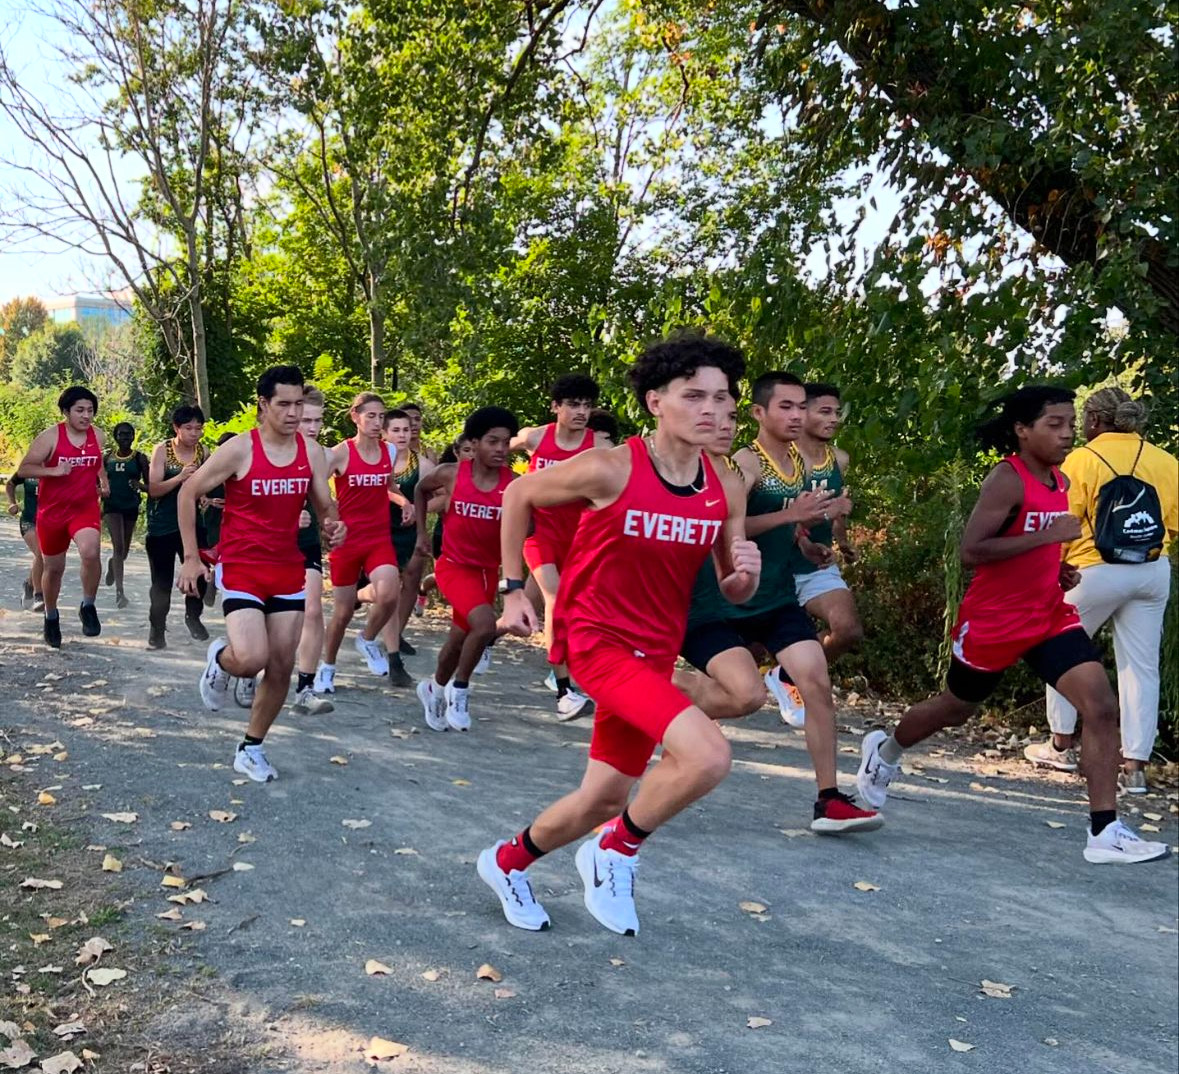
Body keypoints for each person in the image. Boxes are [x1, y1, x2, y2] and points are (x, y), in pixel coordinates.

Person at [477, 333, 760, 936]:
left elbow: (731, 587)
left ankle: (506, 862)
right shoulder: (612, 467)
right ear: (657, 402)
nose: (710, 409)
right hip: (596, 639)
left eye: (721, 397)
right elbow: (520, 493)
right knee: (708, 755)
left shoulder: (724, 487)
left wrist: (743, 578)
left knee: (604, 797)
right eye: (693, 395)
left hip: (656, 646)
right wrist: (513, 588)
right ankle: (616, 853)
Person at [857, 386, 1168, 864]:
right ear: (1023, 431)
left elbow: (1033, 544)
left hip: (1047, 614)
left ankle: (1104, 832)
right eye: (1055, 425)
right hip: (995, 621)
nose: (1067, 434)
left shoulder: (1060, 479)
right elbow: (972, 550)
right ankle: (886, 751)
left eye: (1071, 423)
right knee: (956, 707)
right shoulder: (1008, 478)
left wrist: (1057, 566)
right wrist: (1048, 537)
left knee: (1101, 705)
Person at [678, 372, 879, 833]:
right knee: (744, 696)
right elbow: (732, 529)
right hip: (716, 605)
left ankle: (829, 800)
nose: (797, 415)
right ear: (759, 413)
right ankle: (664, 696)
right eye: (786, 407)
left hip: (774, 596)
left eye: (800, 407)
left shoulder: (805, 462)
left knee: (815, 678)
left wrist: (804, 541)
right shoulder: (744, 465)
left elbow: (789, 524)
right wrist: (793, 515)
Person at [178, 365, 345, 782]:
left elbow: (324, 502)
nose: (293, 413)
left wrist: (333, 522)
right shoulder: (240, 449)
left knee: (282, 665)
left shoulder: (311, 452)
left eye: (299, 404)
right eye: (284, 404)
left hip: (286, 567)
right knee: (252, 658)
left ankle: (251, 747)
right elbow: (188, 490)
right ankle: (220, 659)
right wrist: (191, 558)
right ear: (264, 405)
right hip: (242, 567)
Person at [1024, 387, 1178, 794]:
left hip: (1092, 570)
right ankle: (1136, 767)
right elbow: (1174, 526)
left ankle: (1061, 745)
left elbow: (1064, 523)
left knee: (1059, 647)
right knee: (1141, 668)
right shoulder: (1166, 461)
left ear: (1095, 420)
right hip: (1151, 570)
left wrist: (1053, 567)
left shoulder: (1082, 460)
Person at [413, 407, 518, 731]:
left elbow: (527, 527)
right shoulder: (451, 474)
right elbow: (419, 490)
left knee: (460, 640)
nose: (500, 448)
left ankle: (433, 687)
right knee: (485, 626)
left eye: (506, 442)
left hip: (486, 573)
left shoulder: (514, 485)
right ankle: (460, 690)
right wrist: (421, 533)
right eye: (492, 441)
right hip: (453, 566)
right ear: (474, 442)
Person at [510, 374, 600, 720]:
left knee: (525, 613)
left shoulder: (599, 449)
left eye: (587, 405)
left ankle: (482, 640)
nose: (581, 412)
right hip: (540, 536)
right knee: (556, 599)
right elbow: (497, 446)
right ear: (555, 407)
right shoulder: (536, 437)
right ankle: (564, 692)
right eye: (574, 404)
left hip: (579, 541)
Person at [317, 392, 409, 690]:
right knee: (342, 613)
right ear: (355, 416)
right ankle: (327, 668)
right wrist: (328, 518)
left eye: (381, 416)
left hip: (378, 537)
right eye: (370, 415)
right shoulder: (339, 453)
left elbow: (388, 486)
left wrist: (403, 502)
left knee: (390, 592)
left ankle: (367, 639)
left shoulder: (389, 452)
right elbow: (317, 489)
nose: (376, 422)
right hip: (346, 541)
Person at [17, 386, 108, 648]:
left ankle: (88, 605)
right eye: (80, 410)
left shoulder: (98, 436)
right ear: (66, 411)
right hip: (53, 513)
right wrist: (54, 470)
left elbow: (97, 461)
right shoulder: (50, 437)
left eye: (90, 410)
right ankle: (51, 616)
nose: (86, 416)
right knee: (53, 569)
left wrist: (102, 480)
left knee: (91, 552)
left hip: (84, 508)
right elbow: (24, 468)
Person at [793, 383, 864, 662]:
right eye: (825, 411)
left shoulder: (839, 459)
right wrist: (803, 538)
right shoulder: (778, 460)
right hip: (773, 565)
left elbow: (837, 510)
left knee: (848, 630)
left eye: (836, 412)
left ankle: (788, 676)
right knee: (753, 649)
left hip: (815, 565)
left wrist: (843, 542)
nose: (834, 418)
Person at [361, 408, 435, 660]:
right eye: (396, 430)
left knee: (407, 581)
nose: (403, 435)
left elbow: (441, 495)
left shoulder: (423, 465)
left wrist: (416, 508)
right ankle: (361, 606)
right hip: (378, 530)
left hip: (408, 532)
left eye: (406, 430)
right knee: (387, 584)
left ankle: (395, 636)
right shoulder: (375, 460)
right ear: (384, 433)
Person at [145, 405, 210, 649]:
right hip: (163, 526)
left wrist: (205, 495)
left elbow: (211, 483)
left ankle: (193, 615)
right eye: (188, 428)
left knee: (202, 574)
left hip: (195, 525)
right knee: (161, 583)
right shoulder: (162, 450)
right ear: (176, 428)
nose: (194, 433)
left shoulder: (203, 452)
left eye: (198, 428)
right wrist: (180, 477)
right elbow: (153, 489)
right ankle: (157, 628)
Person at [291, 387, 334, 715]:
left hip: (304, 543)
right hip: (263, 545)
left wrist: (333, 522)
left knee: (313, 609)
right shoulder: (264, 449)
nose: (313, 427)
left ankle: (305, 687)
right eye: (307, 419)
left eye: (318, 420)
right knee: (272, 617)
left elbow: (324, 501)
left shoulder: (318, 453)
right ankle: (248, 666)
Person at [102, 422, 148, 608]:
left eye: (129, 434)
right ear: (115, 436)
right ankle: (120, 592)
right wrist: (101, 491)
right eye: (121, 434)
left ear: (133, 436)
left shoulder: (140, 458)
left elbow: (152, 485)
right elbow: (98, 482)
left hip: (130, 506)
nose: (125, 438)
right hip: (111, 506)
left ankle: (113, 564)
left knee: (124, 552)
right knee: (118, 546)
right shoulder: (107, 458)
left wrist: (140, 486)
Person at [5, 472, 43, 610]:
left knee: (44, 557)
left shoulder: (59, 468)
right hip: (29, 521)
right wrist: (12, 503)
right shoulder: (28, 468)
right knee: (41, 553)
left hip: (50, 522)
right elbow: (10, 484)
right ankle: (39, 595)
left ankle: (29, 584)